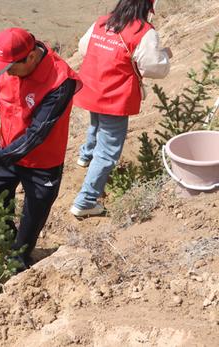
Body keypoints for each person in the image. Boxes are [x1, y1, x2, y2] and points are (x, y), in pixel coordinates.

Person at [0, 27, 80, 270]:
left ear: (31, 57)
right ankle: (6, 246)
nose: (7, 73)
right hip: (8, 153)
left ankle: (18, 265)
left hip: (43, 164)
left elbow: (37, 134)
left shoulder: (60, 81)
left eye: (11, 67)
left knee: (30, 224)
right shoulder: (7, 66)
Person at [70, 0, 171, 217]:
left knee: (96, 124)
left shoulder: (102, 22)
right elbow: (153, 67)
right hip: (114, 96)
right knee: (108, 151)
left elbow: (83, 47)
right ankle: (86, 201)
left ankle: (85, 156)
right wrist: (165, 55)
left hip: (91, 87)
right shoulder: (144, 31)